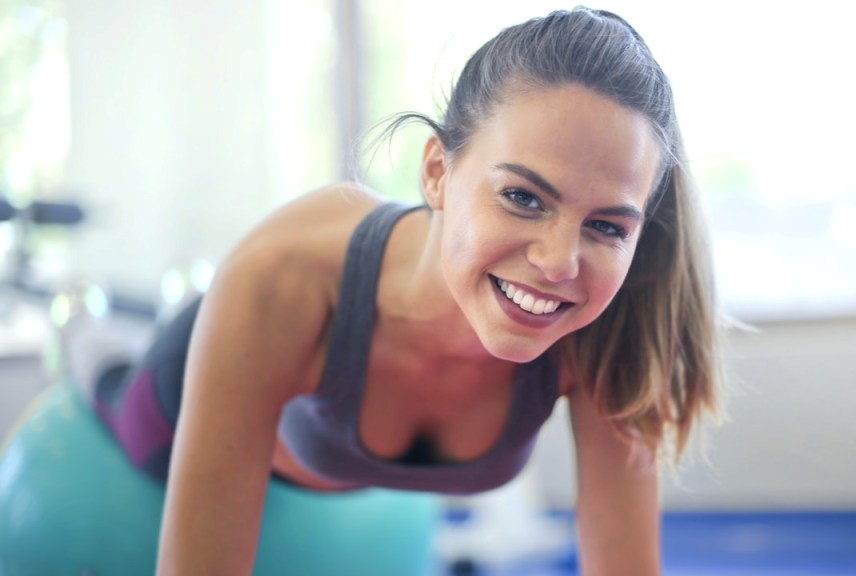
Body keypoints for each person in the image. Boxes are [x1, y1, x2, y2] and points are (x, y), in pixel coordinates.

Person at [75, 7, 724, 575]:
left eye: (607, 226)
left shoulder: (615, 322)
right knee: (115, 392)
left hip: (332, 480)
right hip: (175, 394)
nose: (559, 264)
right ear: (437, 171)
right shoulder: (285, 275)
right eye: (522, 198)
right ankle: (82, 339)